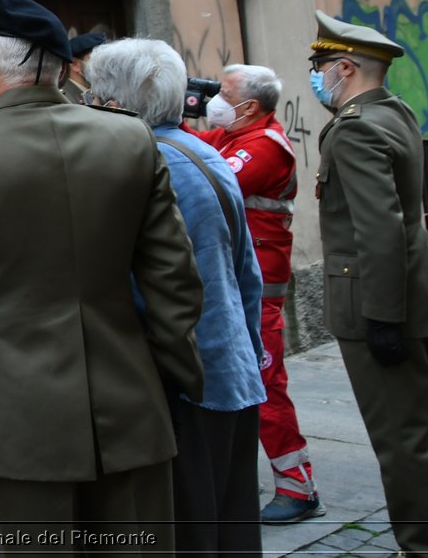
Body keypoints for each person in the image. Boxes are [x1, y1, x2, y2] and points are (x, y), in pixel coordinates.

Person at [0, 0, 205, 555]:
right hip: (133, 402)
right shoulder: (129, 137)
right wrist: (177, 378)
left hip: (19, 415)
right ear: (64, 70)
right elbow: (175, 281)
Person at [86, 39, 266, 556]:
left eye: (94, 94)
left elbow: (153, 292)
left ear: (113, 101)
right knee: (232, 526)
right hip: (231, 369)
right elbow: (245, 274)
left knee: (189, 532)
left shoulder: (145, 163)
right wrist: (250, 352)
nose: (88, 105)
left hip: (185, 383)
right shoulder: (203, 150)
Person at [308, 10, 428, 556]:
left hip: (380, 303)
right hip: (417, 295)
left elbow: (380, 229)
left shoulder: (357, 128)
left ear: (345, 67)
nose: (314, 76)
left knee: (403, 441)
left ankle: (425, 547)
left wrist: (382, 317)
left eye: (319, 66)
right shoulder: (395, 113)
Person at [187, 63, 324, 523]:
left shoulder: (264, 147)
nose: (214, 100)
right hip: (240, 286)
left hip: (259, 292)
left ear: (247, 106)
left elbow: (208, 183)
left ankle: (298, 486)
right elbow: (187, 146)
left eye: (223, 93)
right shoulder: (233, 138)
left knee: (265, 386)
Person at [59, 31, 107, 105]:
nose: (105, 66)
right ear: (75, 65)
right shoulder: (64, 100)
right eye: (98, 59)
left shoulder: (104, 94)